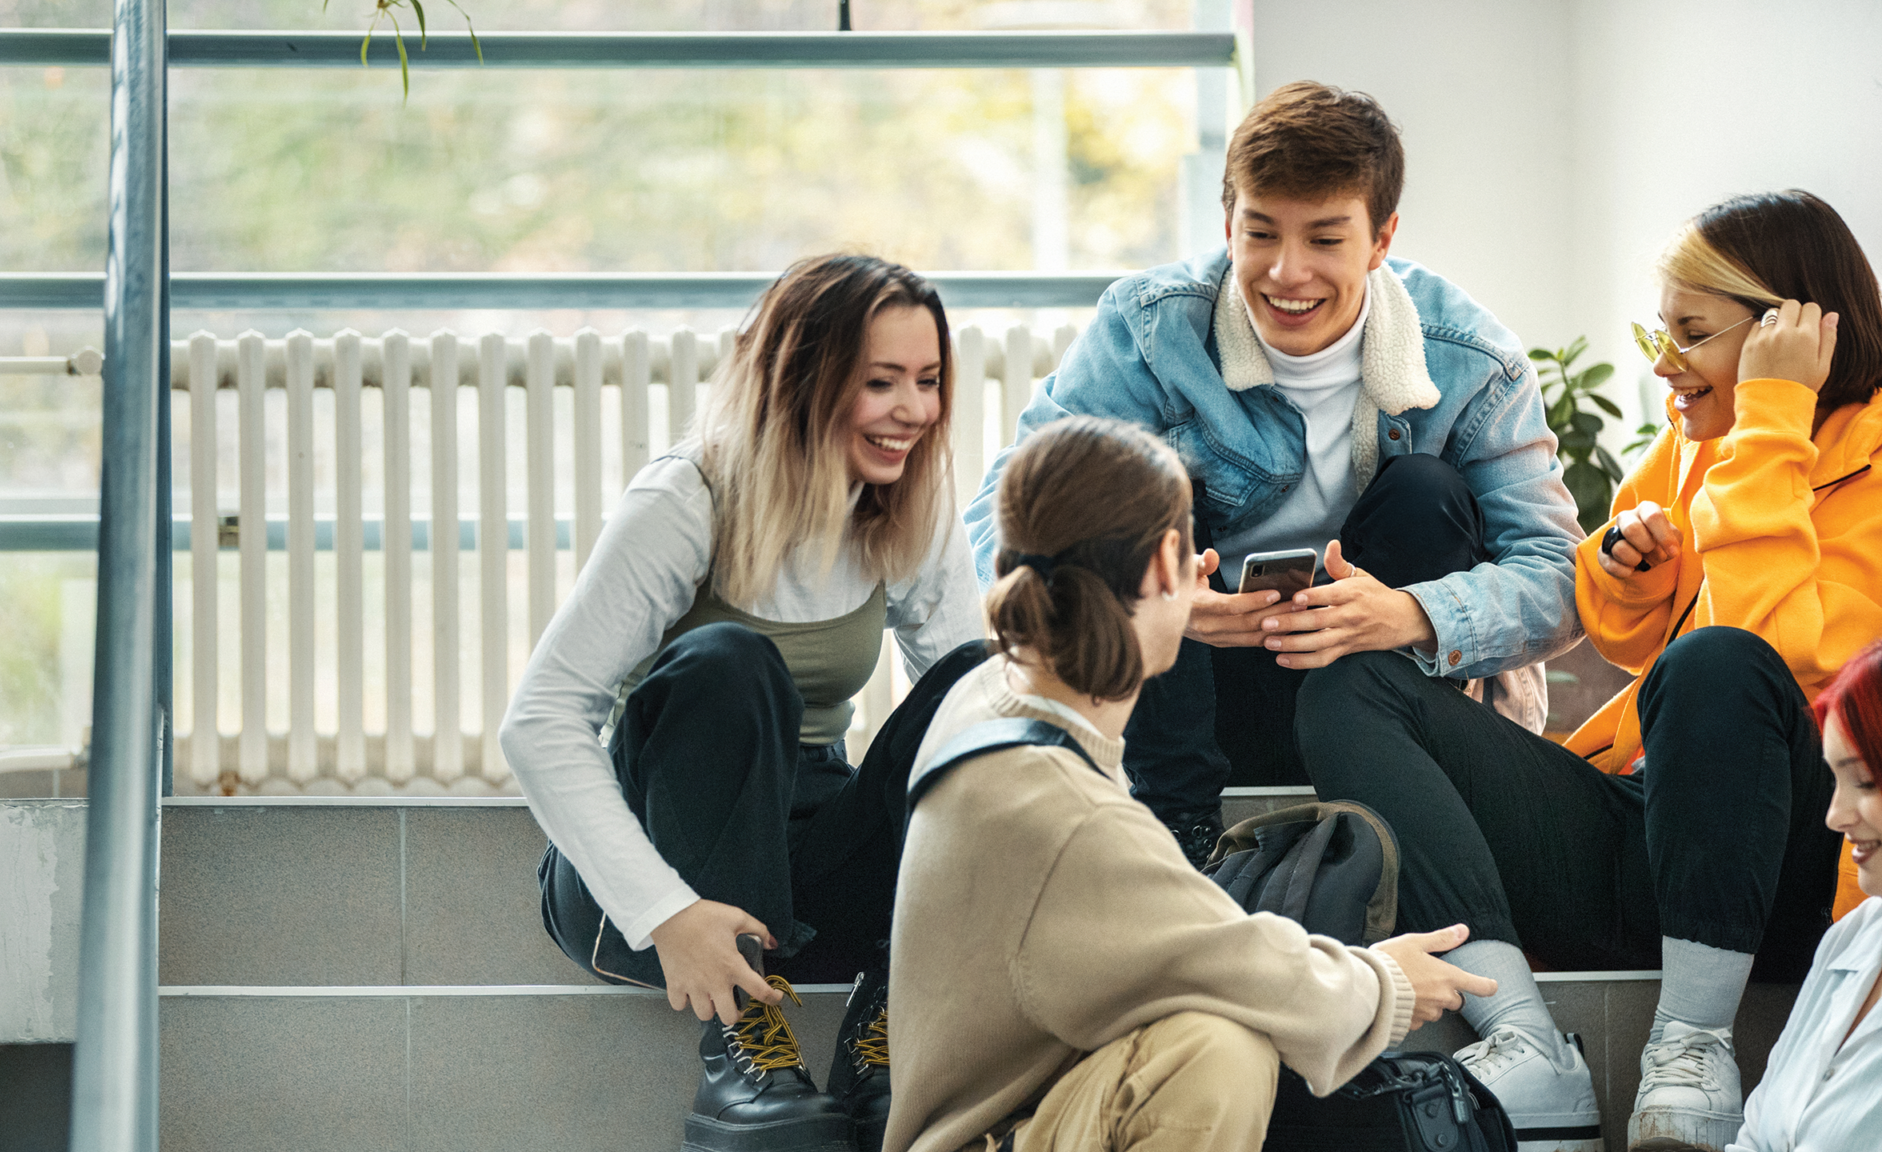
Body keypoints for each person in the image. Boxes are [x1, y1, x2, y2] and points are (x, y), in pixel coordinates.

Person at [1294, 189, 1882, 1152]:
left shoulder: (1828, 452)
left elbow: (1775, 663)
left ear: (1788, 331)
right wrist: (1628, 569)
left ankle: (1692, 1047)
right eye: (1662, 330)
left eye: (1692, 334)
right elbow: (1623, 640)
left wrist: (1776, 417)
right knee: (1353, 682)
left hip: (1784, 868)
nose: (1664, 364)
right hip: (1648, 832)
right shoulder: (1704, 446)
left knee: (1723, 664)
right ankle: (1523, 1039)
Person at [961, 81, 1582, 865]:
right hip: (1187, 703)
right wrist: (1152, 602)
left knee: (1428, 492)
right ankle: (1179, 845)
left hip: (1382, 694)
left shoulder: (1472, 360)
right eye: (1261, 235)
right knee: (1147, 494)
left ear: (1381, 238)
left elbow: (1560, 575)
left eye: (1325, 240)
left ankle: (1389, 827)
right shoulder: (1149, 330)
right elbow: (1005, 523)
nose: (1288, 274)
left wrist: (1409, 615)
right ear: (1228, 225)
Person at [888, 415, 1499, 1152]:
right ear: (1160, 567)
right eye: (1190, 556)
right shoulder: (1059, 804)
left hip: (1019, 1099)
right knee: (1216, 1051)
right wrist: (1386, 984)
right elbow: (1225, 960)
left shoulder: (996, 694)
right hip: (990, 1136)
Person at [500, 254, 987, 1152]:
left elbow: (986, 706)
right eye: (880, 382)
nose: (914, 411)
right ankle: (744, 1048)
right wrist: (667, 914)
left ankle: (890, 1029)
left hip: (811, 876)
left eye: (927, 382)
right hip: (656, 884)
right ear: (798, 380)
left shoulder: (905, 503)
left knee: (978, 681)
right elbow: (538, 720)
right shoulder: (686, 497)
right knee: (731, 660)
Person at [1731, 638, 1882, 1151]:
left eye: (1863, 782)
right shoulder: (1852, 938)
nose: (1835, 817)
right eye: (1834, 781)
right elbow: (1756, 1136)